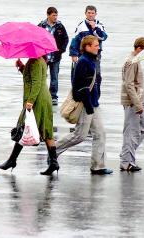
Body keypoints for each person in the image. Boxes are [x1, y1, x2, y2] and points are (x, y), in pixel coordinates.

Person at [55, 35, 113, 175]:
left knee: (100, 134)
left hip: (94, 104)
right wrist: (87, 104)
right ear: (87, 47)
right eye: (96, 45)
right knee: (79, 136)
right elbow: (78, 87)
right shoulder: (83, 62)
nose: (98, 47)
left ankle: (97, 166)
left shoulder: (92, 60)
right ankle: (53, 151)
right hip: (86, 105)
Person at [0, 56, 59, 176]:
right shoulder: (40, 59)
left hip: (37, 99)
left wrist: (30, 101)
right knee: (46, 129)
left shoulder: (35, 60)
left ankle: (12, 160)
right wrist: (22, 67)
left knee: (25, 128)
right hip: (44, 98)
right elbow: (33, 77)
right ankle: (54, 162)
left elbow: (36, 82)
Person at [119, 37, 144, 172]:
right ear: (139, 48)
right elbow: (129, 84)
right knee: (130, 132)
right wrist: (138, 104)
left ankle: (127, 155)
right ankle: (126, 162)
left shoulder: (136, 61)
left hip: (139, 101)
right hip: (133, 102)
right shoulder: (132, 62)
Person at [69, 5, 107, 94]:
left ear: (95, 14)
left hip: (95, 55)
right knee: (83, 75)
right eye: (89, 13)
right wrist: (73, 54)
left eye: (92, 13)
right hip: (83, 55)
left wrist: (95, 28)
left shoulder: (99, 25)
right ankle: (83, 94)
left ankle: (96, 97)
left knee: (97, 75)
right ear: (85, 13)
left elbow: (103, 37)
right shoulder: (81, 26)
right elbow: (75, 40)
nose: (90, 15)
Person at [38, 7, 69, 105]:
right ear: (48, 15)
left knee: (54, 77)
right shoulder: (41, 26)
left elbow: (66, 38)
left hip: (55, 57)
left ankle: (53, 96)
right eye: (53, 15)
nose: (55, 17)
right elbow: (36, 38)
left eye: (56, 15)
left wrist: (61, 50)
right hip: (44, 57)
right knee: (41, 76)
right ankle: (41, 95)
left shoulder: (60, 26)